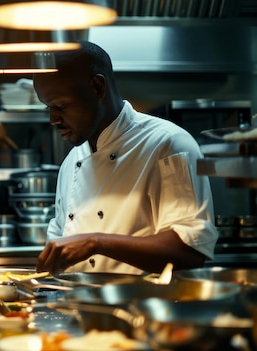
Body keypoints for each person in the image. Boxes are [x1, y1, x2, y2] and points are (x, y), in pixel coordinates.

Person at [33, 41, 218, 275]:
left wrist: (95, 243)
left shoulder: (168, 144)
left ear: (97, 87)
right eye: (47, 107)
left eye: (60, 105)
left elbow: (190, 251)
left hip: (143, 307)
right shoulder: (72, 161)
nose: (53, 119)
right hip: (78, 307)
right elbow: (60, 243)